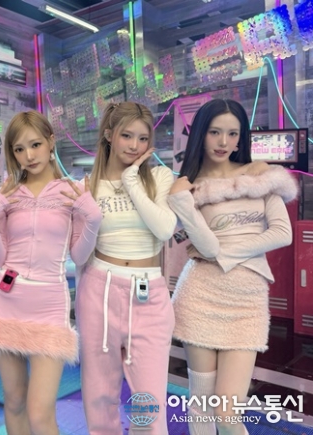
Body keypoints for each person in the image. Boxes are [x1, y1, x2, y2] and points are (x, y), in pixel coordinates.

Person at [166, 99, 297, 435]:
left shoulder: (260, 174)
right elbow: (204, 245)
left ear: (241, 138)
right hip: (200, 295)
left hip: (247, 300)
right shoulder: (189, 186)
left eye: (232, 133)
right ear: (201, 134)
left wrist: (225, 254)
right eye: (214, 132)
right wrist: (181, 201)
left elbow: (282, 234)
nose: (223, 142)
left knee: (227, 414)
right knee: (202, 404)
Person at [0, 111, 102, 435]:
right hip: (7, 303)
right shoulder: (9, 192)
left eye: (35, 145)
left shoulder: (72, 191)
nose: (29, 155)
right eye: (19, 149)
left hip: (49, 305)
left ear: (51, 142)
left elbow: (79, 255)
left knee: (40, 412)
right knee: (14, 401)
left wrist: (92, 218)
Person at [75, 102, 177, 435]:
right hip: (99, 290)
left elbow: (164, 229)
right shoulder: (87, 185)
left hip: (149, 295)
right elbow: (79, 254)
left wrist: (132, 179)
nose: (135, 145)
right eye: (126, 136)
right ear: (109, 135)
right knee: (99, 399)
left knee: (149, 405)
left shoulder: (159, 177)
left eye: (143, 138)